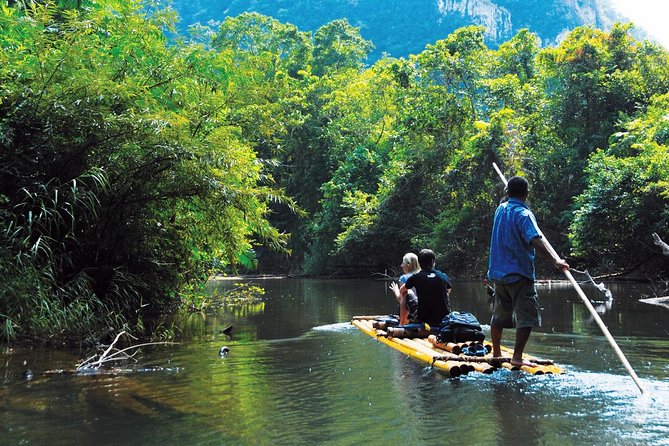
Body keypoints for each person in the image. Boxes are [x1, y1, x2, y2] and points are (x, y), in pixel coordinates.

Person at [487, 176, 569, 367]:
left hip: (499, 274)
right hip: (519, 274)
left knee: (499, 315)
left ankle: (497, 354)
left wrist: (510, 194)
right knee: (526, 317)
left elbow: (510, 205)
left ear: (507, 193)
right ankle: (516, 357)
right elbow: (534, 239)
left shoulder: (500, 210)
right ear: (527, 194)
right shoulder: (524, 214)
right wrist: (556, 260)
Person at [394, 249, 451, 327]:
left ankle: (401, 324)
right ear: (433, 262)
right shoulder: (443, 276)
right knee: (444, 292)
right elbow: (448, 291)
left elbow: (402, 291)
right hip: (444, 319)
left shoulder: (416, 277)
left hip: (423, 319)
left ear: (419, 263)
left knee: (407, 292)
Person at [389, 253, 420, 324]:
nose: (401, 265)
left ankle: (402, 324)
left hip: (411, 315)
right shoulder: (422, 275)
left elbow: (401, 300)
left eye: (403, 263)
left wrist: (396, 291)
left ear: (408, 265)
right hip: (423, 312)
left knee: (405, 295)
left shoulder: (404, 278)